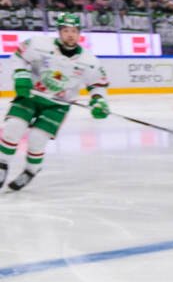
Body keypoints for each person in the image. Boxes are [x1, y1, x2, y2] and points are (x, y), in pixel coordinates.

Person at [2, 13, 110, 191]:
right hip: (31, 95)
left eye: (74, 31)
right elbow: (18, 56)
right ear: (59, 32)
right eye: (66, 30)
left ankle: (31, 170)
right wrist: (21, 74)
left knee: (37, 139)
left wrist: (99, 101)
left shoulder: (89, 61)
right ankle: (2, 164)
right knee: (13, 128)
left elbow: (98, 84)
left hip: (57, 105)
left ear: (79, 33)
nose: (70, 34)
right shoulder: (39, 44)